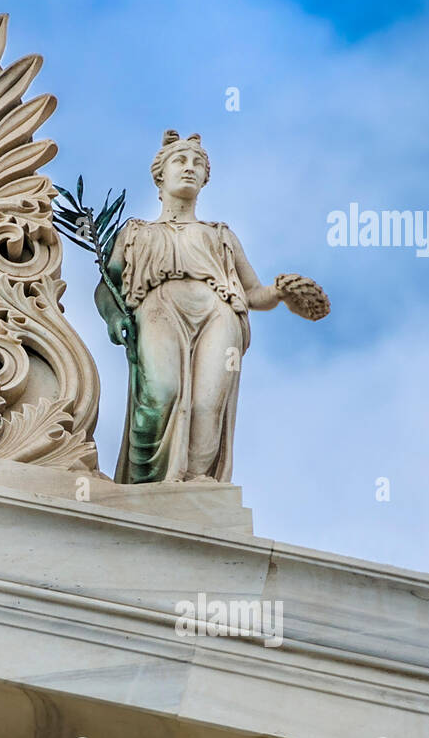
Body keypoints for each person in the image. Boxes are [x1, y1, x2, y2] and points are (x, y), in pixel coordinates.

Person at [96, 130, 327, 483]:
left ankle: (195, 485)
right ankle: (147, 486)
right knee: (161, 393)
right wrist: (113, 316)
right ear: (160, 174)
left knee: (207, 406)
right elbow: (106, 286)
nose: (189, 168)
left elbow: (252, 293)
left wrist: (280, 293)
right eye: (180, 160)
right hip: (158, 308)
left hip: (219, 313)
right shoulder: (135, 232)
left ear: (205, 177)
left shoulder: (220, 234)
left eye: (197, 163)